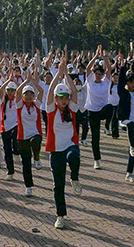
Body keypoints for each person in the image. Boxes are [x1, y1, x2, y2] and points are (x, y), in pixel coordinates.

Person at [45, 57, 82, 229]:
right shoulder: (51, 110)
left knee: (74, 155)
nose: (64, 100)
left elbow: (74, 92)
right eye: (60, 98)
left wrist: (66, 74)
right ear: (56, 99)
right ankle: (60, 215)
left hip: (70, 145)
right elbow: (51, 90)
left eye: (65, 98)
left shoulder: (72, 109)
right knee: (57, 185)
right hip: (55, 150)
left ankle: (74, 177)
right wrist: (57, 74)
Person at [15, 62, 43, 196]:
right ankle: (28, 186)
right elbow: (17, 92)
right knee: (26, 163)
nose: (28, 96)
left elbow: (41, 91)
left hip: (35, 134)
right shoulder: (20, 105)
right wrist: (25, 81)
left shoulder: (36, 105)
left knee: (36, 141)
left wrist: (33, 82)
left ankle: (37, 158)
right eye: (26, 94)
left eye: (31, 94)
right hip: (22, 137)